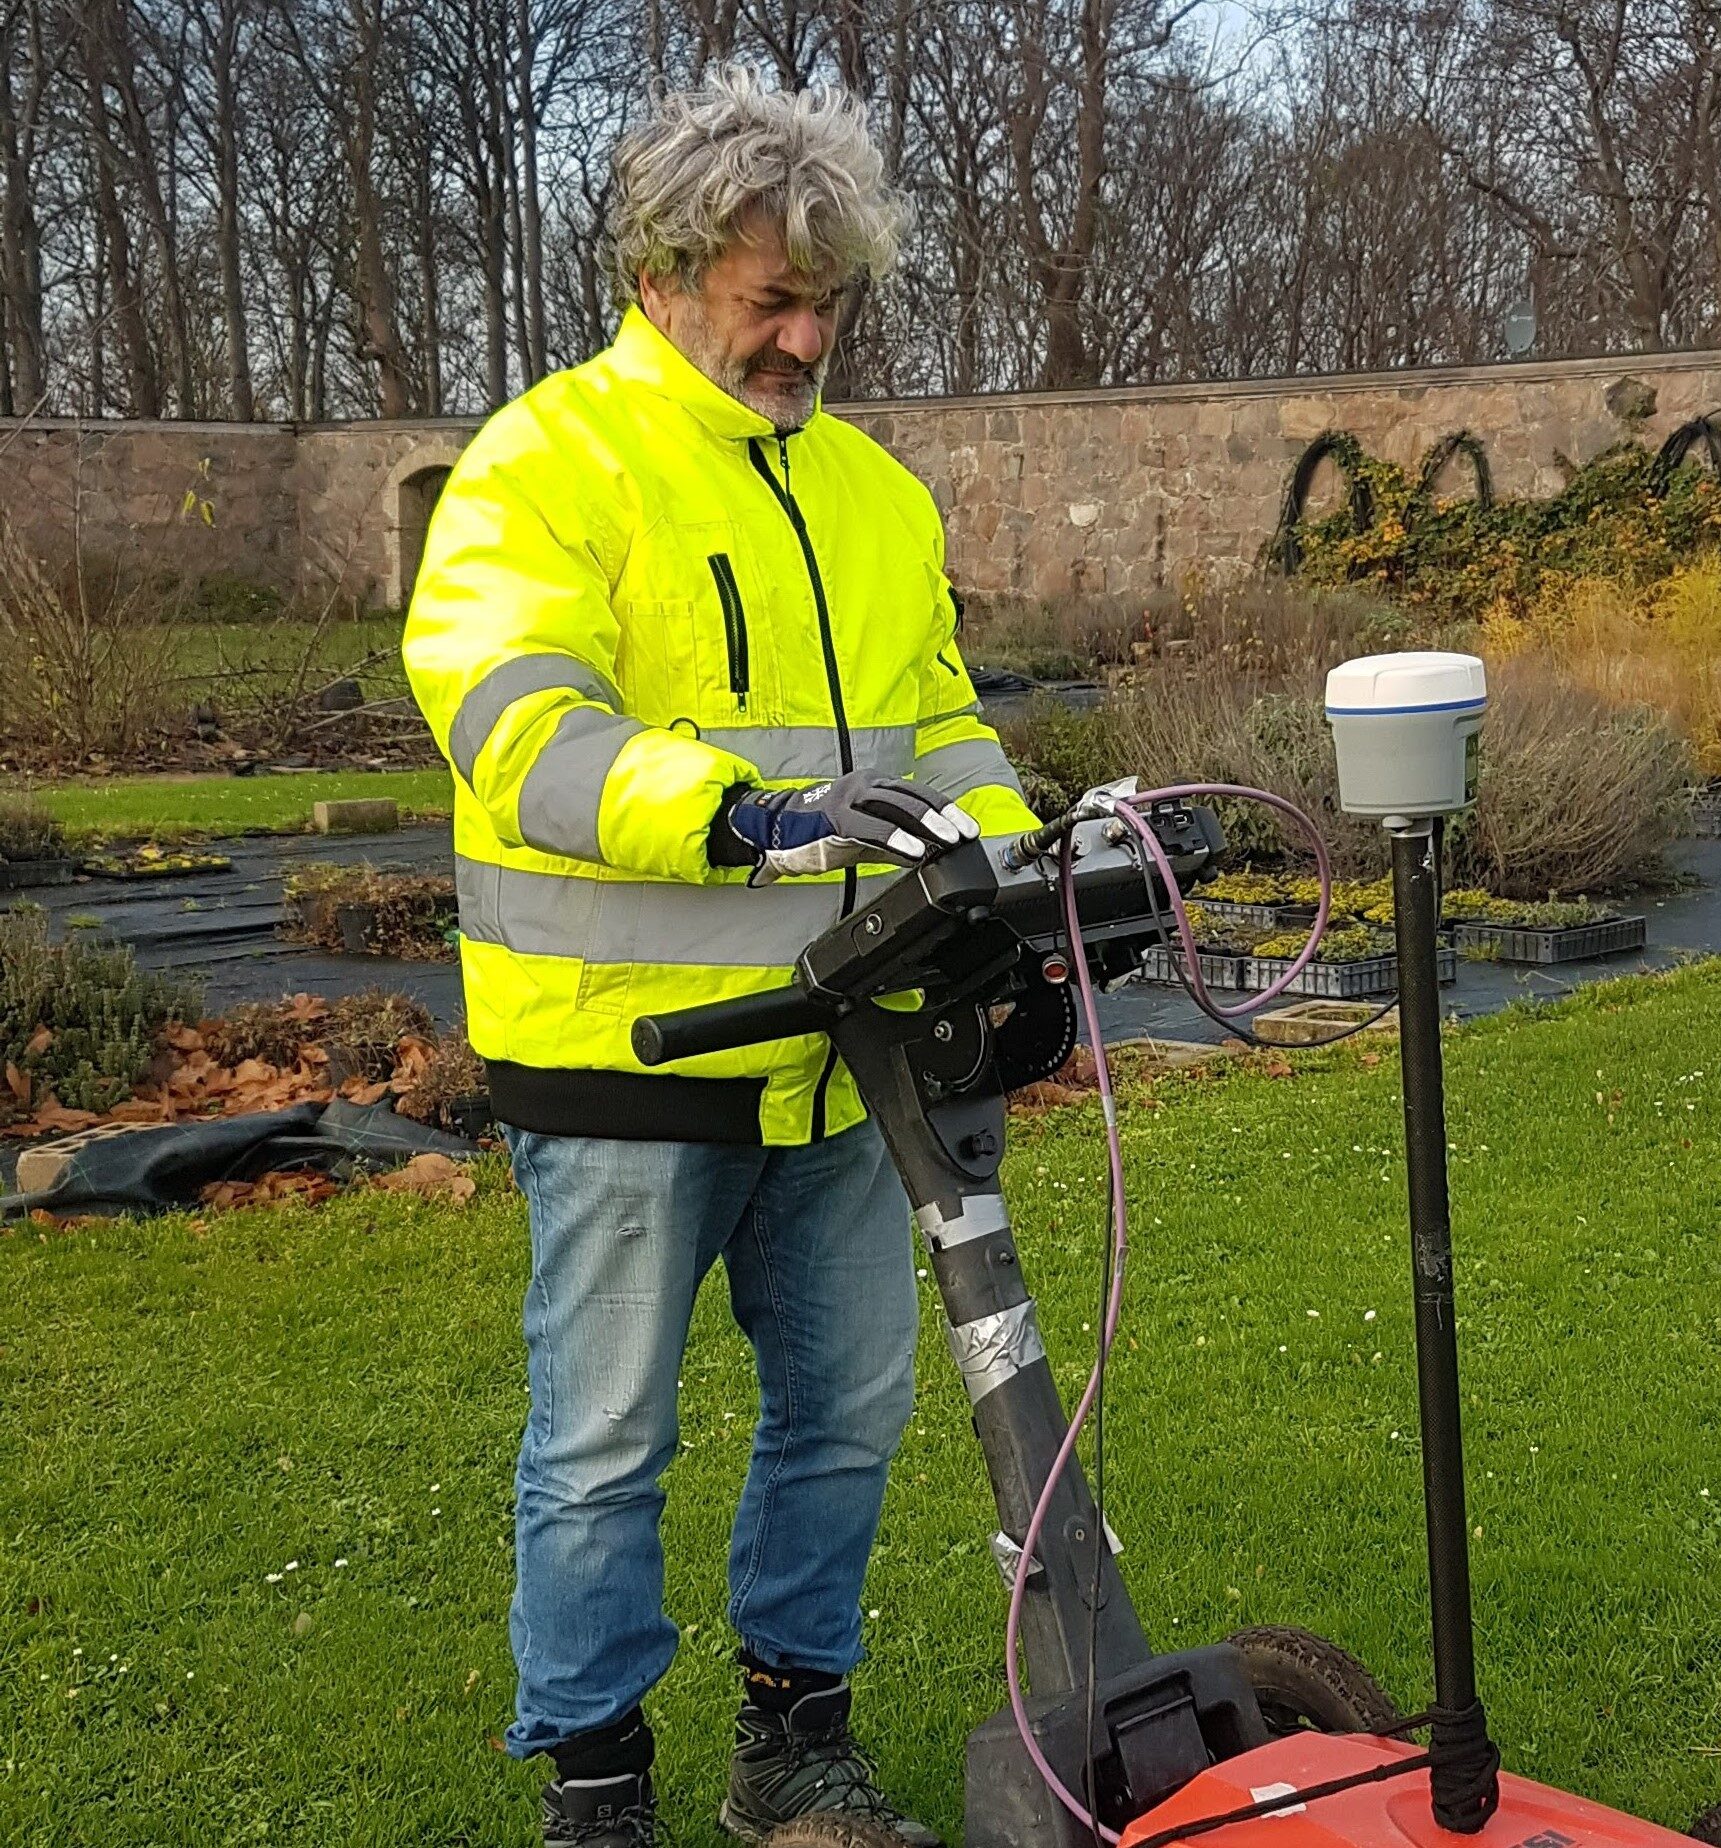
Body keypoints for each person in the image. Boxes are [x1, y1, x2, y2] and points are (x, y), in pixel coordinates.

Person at [403, 72, 1035, 1848]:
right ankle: (598, 1796)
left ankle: (793, 1754)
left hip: (847, 1056)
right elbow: (511, 719)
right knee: (603, 1451)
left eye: (829, 301)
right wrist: (736, 813)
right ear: (671, 271)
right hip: (629, 1053)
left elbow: (939, 718)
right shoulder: (547, 464)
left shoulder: (874, 498)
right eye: (772, 298)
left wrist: (1011, 856)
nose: (806, 333)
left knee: (845, 1418)